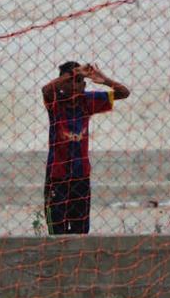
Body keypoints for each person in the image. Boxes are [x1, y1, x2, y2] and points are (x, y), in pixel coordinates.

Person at [41, 61, 130, 235]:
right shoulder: (55, 102)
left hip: (80, 177)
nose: (74, 86)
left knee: (80, 232)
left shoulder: (87, 101)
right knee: (57, 233)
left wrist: (104, 79)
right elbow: (45, 90)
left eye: (79, 81)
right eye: (69, 81)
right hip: (57, 177)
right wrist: (73, 73)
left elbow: (123, 93)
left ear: (84, 84)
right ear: (61, 84)